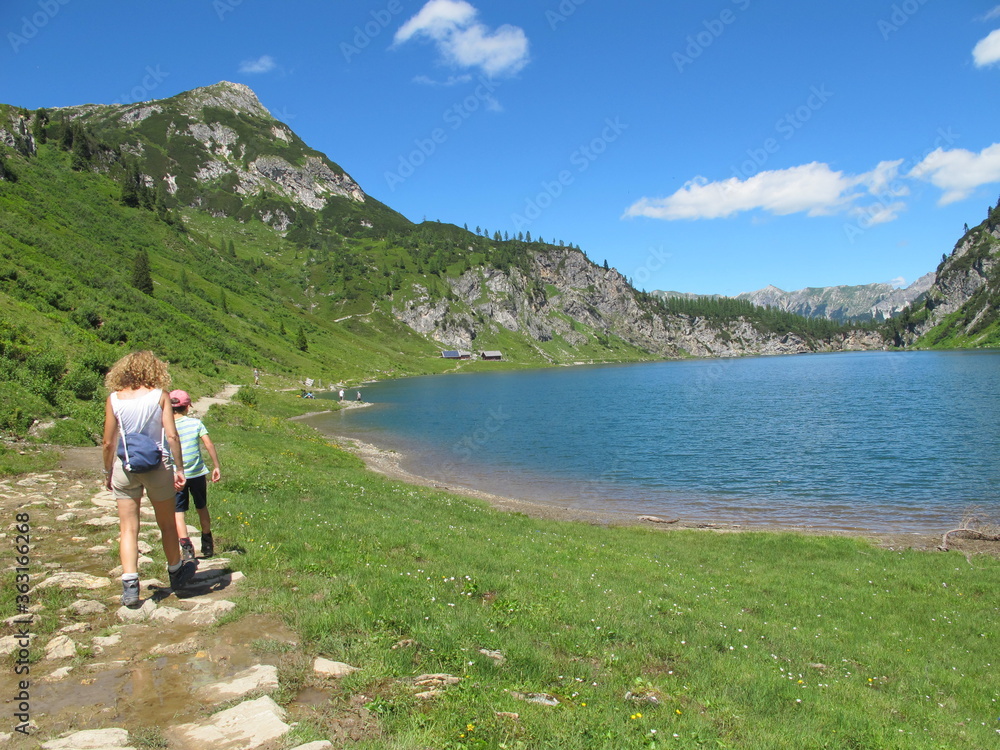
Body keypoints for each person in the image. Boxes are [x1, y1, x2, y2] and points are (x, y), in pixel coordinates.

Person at [102, 351, 196, 607]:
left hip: (126, 466)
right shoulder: (160, 396)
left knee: (128, 528)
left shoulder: (114, 399)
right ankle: (176, 571)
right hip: (157, 467)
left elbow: (109, 441)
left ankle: (130, 586)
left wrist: (108, 471)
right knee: (166, 524)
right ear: (155, 370)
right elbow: (172, 436)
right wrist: (179, 468)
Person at [169, 390, 222, 561]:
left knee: (178, 512)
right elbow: (208, 443)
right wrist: (216, 466)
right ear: (186, 407)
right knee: (201, 507)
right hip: (197, 473)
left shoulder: (164, 426)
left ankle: (186, 548)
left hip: (177, 475)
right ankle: (207, 542)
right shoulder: (196, 423)